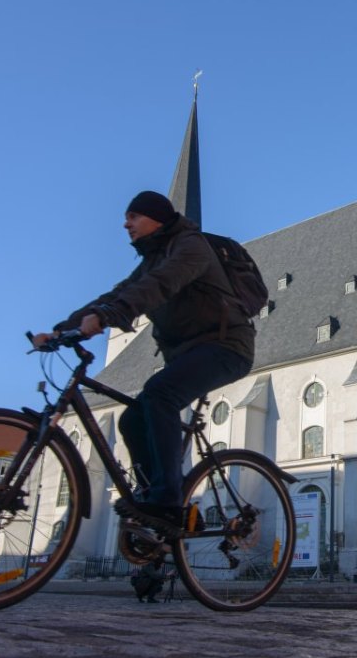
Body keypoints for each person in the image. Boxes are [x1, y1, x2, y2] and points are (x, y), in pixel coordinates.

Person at [32, 191, 255, 534]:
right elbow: (114, 294)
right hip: (187, 353)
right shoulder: (152, 260)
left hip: (226, 347)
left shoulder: (191, 247)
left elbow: (160, 285)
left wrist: (111, 315)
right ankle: (154, 496)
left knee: (158, 395)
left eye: (134, 216)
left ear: (157, 218)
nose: (126, 223)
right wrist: (63, 329)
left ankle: (167, 500)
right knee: (132, 419)